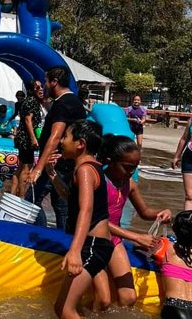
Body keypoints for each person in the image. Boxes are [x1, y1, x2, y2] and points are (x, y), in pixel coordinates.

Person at [92, 135, 171, 310]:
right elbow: (97, 219)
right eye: (127, 167)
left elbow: (144, 212)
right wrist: (135, 236)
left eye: (135, 168)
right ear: (110, 161)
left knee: (128, 298)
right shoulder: (98, 182)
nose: (131, 172)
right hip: (93, 240)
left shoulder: (129, 184)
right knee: (103, 300)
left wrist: (161, 212)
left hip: (113, 240)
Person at [45, 120, 113, 319]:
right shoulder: (90, 167)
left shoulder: (84, 170)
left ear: (80, 144)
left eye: (65, 137)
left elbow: (86, 210)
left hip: (93, 246)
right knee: (65, 308)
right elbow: (70, 198)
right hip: (95, 244)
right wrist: (52, 174)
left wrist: (74, 251)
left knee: (65, 309)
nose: (62, 142)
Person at [28, 67, 87, 229]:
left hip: (54, 163)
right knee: (61, 207)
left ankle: (41, 235)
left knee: (31, 201)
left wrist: (38, 168)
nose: (44, 87)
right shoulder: (74, 102)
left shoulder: (62, 104)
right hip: (67, 163)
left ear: (54, 82)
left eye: (46, 82)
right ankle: (62, 240)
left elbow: (55, 137)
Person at [156, 210, 192, 319]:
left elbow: (143, 244)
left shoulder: (165, 246)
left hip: (174, 306)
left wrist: (162, 220)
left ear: (174, 229)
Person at [13, 80, 44, 197]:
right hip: (26, 138)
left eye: (41, 87)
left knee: (20, 167)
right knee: (27, 168)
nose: (41, 89)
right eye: (37, 88)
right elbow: (28, 120)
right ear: (32, 90)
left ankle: (12, 194)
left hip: (22, 137)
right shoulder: (32, 101)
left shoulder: (29, 101)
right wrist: (33, 139)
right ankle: (21, 197)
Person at [172, 107, 192, 210]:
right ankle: (188, 224)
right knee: (191, 195)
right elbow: (184, 139)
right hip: (190, 159)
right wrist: (176, 156)